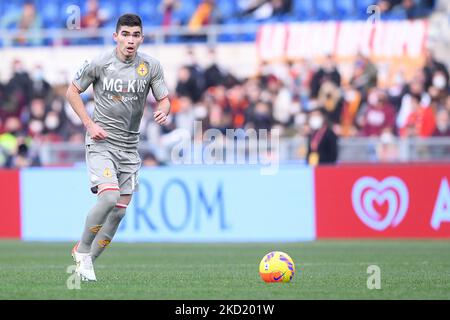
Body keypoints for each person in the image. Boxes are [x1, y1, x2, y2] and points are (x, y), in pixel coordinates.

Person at [66, 14, 170, 282]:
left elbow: (165, 99)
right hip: (102, 142)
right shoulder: (99, 63)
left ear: (142, 38)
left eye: (136, 35)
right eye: (125, 34)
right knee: (109, 197)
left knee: (119, 213)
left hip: (130, 147)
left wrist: (163, 109)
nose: (130, 40)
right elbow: (72, 92)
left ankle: (85, 261)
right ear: (116, 37)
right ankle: (83, 249)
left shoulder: (151, 66)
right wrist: (89, 125)